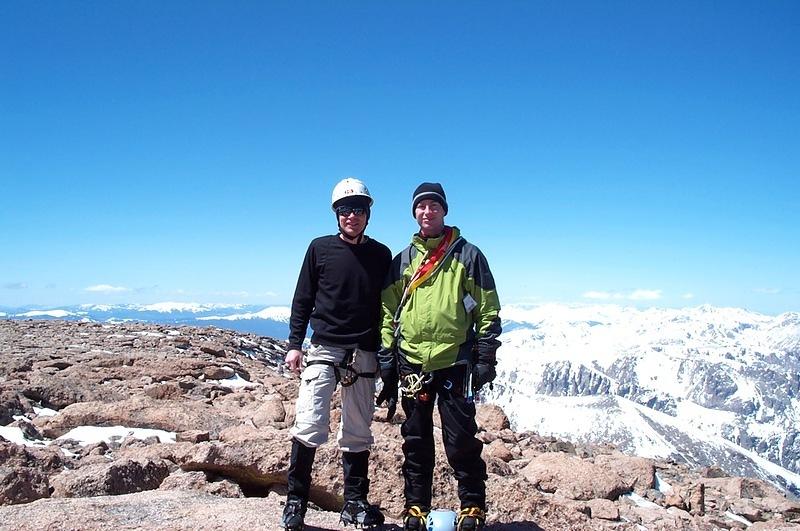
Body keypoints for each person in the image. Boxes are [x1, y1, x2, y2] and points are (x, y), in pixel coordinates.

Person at [376, 182, 502, 531]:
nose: (427, 211)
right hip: (412, 361)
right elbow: (388, 310)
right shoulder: (402, 260)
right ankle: (415, 507)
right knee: (415, 439)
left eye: (434, 205)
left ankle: (473, 507)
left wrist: (486, 355)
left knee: (460, 438)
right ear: (414, 213)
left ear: (444, 210)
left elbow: (488, 308)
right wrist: (388, 357)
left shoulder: (468, 255)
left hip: (455, 360)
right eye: (421, 206)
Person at [283, 178, 392, 531]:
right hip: (325, 345)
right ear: (336, 214)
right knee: (310, 423)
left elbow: (388, 307)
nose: (352, 216)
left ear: (368, 214)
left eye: (359, 209)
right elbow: (303, 298)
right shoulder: (319, 249)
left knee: (358, 430)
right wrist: (294, 344)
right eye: (346, 210)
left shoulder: (381, 255)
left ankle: (354, 504)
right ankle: (295, 503)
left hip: (365, 349)